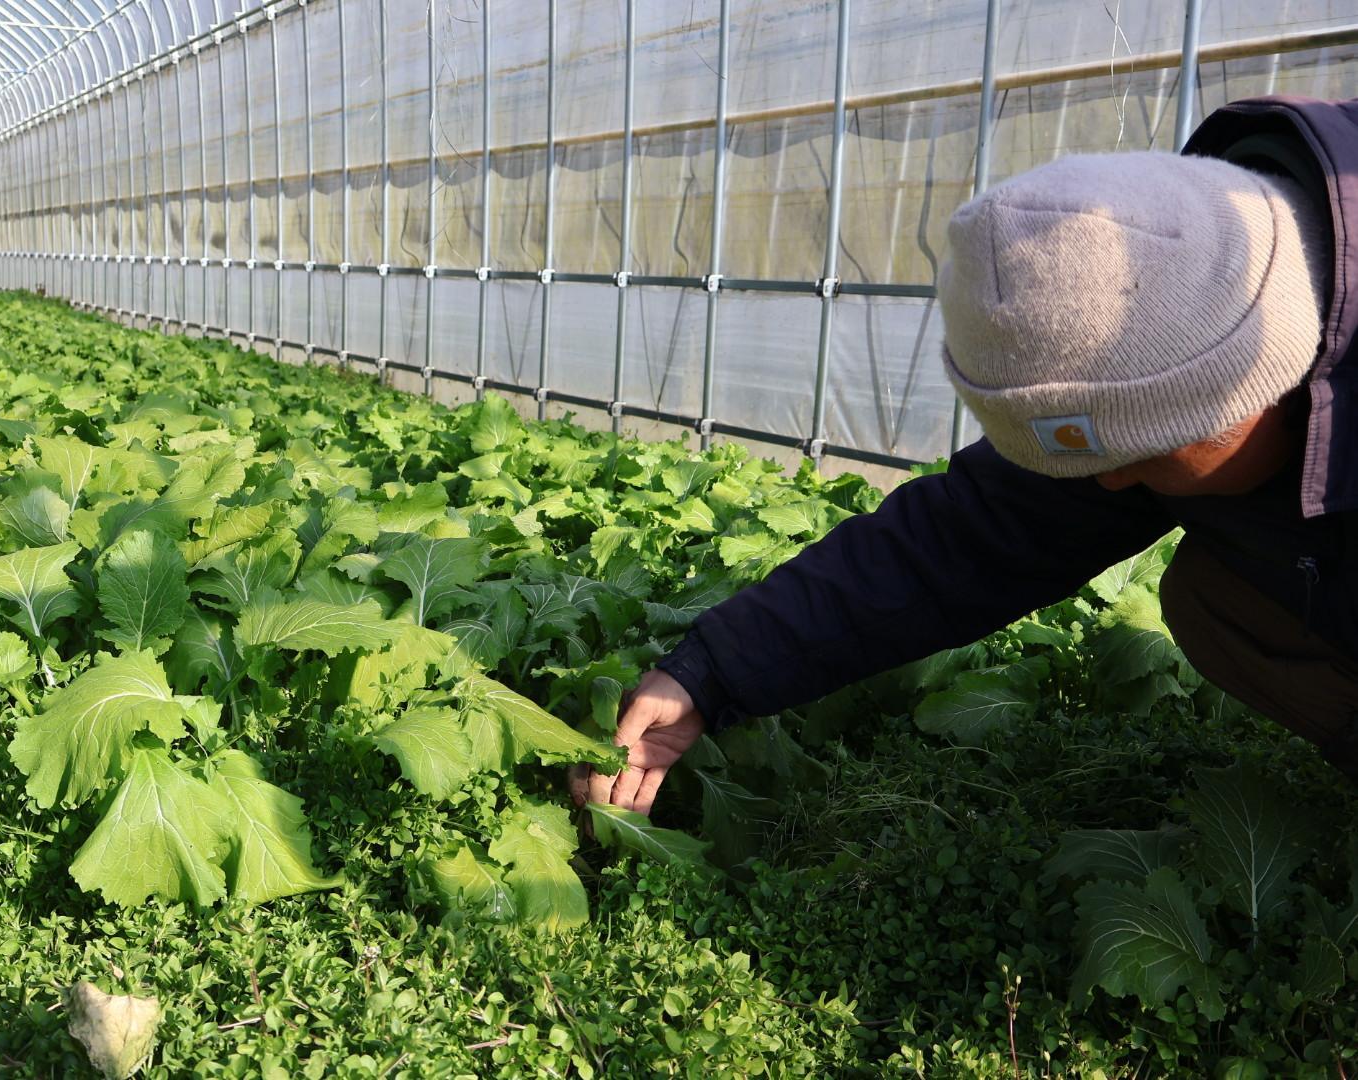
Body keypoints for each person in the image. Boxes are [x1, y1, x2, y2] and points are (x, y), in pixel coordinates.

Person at [577, 94, 1358, 816]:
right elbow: (961, 540)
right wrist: (706, 674)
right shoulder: (1171, 325)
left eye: (1143, 451)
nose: (1112, 483)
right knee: (1211, 600)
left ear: (1266, 381)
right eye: (1084, 458)